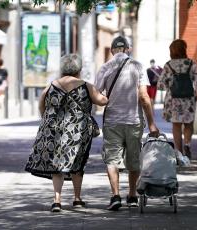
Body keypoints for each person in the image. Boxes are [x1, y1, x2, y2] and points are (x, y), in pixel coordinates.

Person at [25, 54, 108, 212]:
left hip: (54, 130)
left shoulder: (51, 85)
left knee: (57, 165)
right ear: (79, 69)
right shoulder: (85, 85)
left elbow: (42, 104)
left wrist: (47, 119)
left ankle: (57, 200)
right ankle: (77, 199)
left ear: (62, 69)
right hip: (78, 131)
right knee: (78, 163)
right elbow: (101, 101)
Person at [95, 36, 159, 211]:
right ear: (128, 49)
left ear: (111, 50)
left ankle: (115, 195)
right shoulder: (138, 66)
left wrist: (105, 101)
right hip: (133, 121)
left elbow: (97, 95)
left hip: (112, 122)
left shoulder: (105, 68)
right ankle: (132, 196)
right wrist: (152, 123)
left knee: (112, 159)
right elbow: (144, 97)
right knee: (133, 159)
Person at [157, 39, 197, 159]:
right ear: (184, 49)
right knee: (189, 124)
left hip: (173, 99)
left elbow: (160, 85)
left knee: (177, 125)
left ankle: (178, 152)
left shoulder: (169, 65)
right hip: (189, 99)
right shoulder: (191, 63)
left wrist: (170, 85)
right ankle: (187, 144)